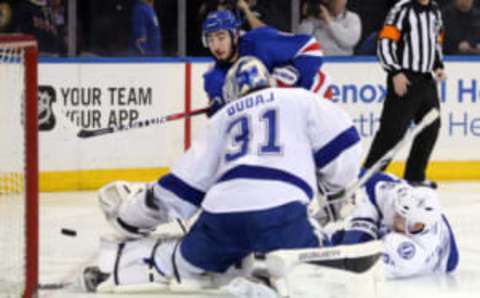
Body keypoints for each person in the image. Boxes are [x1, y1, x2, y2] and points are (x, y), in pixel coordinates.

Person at [78, 57, 362, 293]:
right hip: (281, 212)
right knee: (316, 250)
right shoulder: (299, 98)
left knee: (180, 259)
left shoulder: (221, 118)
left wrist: (131, 215)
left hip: (222, 216)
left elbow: (181, 190)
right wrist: (332, 187)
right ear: (268, 81)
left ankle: (111, 269)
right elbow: (345, 147)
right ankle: (269, 269)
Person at [363, 0, 446, 189]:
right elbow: (385, 41)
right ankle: (369, 176)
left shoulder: (435, 10)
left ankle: (415, 176)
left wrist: (438, 65)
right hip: (405, 78)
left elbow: (437, 40)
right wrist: (394, 72)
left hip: (426, 80)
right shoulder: (403, 8)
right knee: (392, 132)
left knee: (431, 127)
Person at [202, 8, 332, 117]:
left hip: (313, 96)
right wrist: (219, 112)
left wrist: (295, 72)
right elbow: (229, 123)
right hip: (277, 115)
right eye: (210, 40)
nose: (216, 46)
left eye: (221, 37)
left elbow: (311, 47)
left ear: (235, 35)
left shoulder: (260, 42)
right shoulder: (213, 78)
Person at [331, 171, 459, 279]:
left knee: (353, 244)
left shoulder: (407, 252)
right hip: (439, 247)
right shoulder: (401, 199)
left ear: (419, 226)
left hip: (436, 260)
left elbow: (358, 264)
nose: (397, 220)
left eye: (404, 220)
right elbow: (375, 180)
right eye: (398, 214)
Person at [298, 0, 362, 56]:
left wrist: (328, 21)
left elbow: (349, 41)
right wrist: (308, 18)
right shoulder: (315, 18)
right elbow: (302, 41)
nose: (339, 2)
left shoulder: (352, 18)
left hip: (343, 62)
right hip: (320, 60)